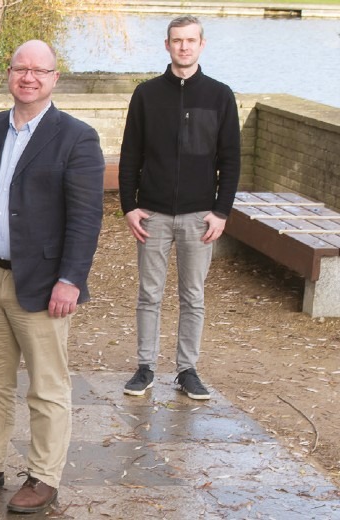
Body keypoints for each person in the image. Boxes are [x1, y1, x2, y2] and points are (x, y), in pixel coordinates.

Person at [0, 41, 104, 514]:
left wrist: (71, 279)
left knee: (47, 387)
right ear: (9, 73)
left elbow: (86, 218)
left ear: (55, 78)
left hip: (45, 283)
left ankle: (43, 475)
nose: (28, 77)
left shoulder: (77, 138)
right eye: (21, 68)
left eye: (39, 70)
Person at [119, 15, 241, 401]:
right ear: (167, 45)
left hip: (199, 216)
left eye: (190, 40)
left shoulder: (220, 96)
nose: (184, 47)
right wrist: (129, 206)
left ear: (202, 45)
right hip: (152, 214)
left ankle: (187, 370)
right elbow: (130, 154)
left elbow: (231, 159)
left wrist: (221, 211)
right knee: (149, 294)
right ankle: (145, 367)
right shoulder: (146, 95)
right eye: (177, 40)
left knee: (193, 296)